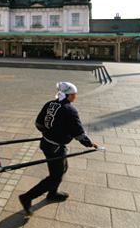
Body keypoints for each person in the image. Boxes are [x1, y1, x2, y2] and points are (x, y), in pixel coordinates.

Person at [19, 82, 98, 217]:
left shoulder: (50, 103)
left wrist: (48, 132)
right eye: (73, 94)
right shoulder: (69, 110)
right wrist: (89, 143)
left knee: (62, 168)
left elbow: (39, 123)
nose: (75, 96)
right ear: (67, 95)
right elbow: (77, 132)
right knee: (55, 177)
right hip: (54, 147)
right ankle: (27, 197)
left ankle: (52, 193)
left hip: (47, 143)